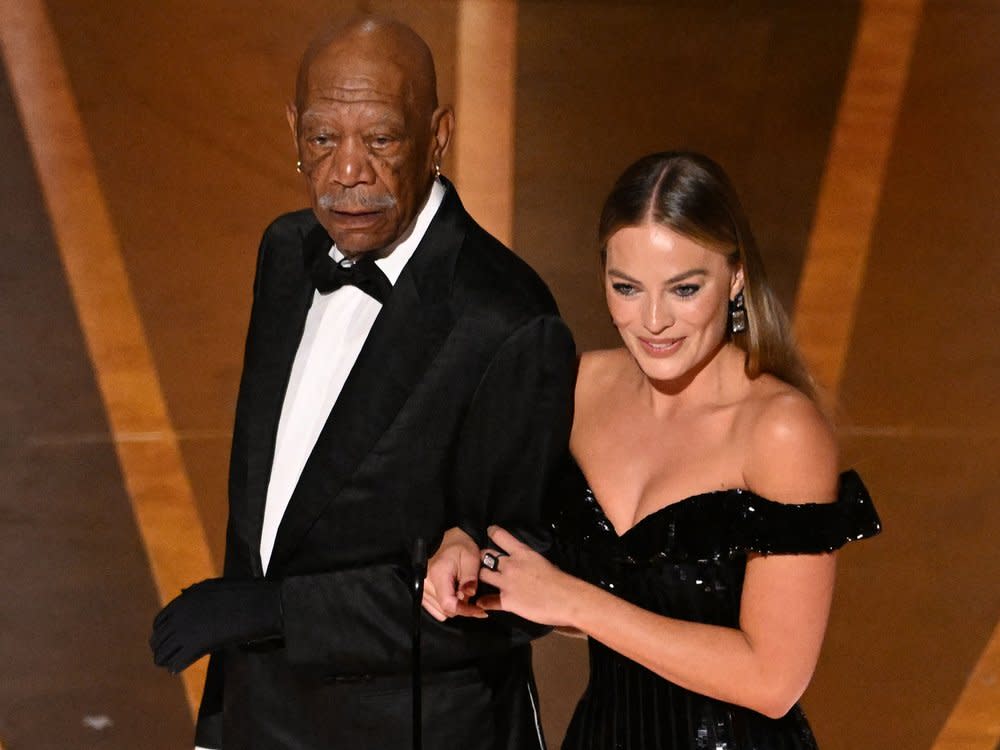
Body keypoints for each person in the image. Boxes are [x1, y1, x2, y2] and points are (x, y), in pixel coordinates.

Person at [149, 16, 575, 750]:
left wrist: (277, 612)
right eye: (321, 138)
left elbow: (515, 593)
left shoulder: (505, 320)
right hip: (265, 721)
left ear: (438, 135)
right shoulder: (287, 253)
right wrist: (222, 723)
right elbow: (268, 527)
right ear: (292, 132)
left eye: (380, 140)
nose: (347, 171)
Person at [424, 151, 881, 749]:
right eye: (628, 288)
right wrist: (465, 555)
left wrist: (580, 604)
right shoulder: (579, 388)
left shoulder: (780, 432)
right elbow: (527, 557)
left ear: (736, 278)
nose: (655, 321)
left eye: (685, 289)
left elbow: (773, 679)